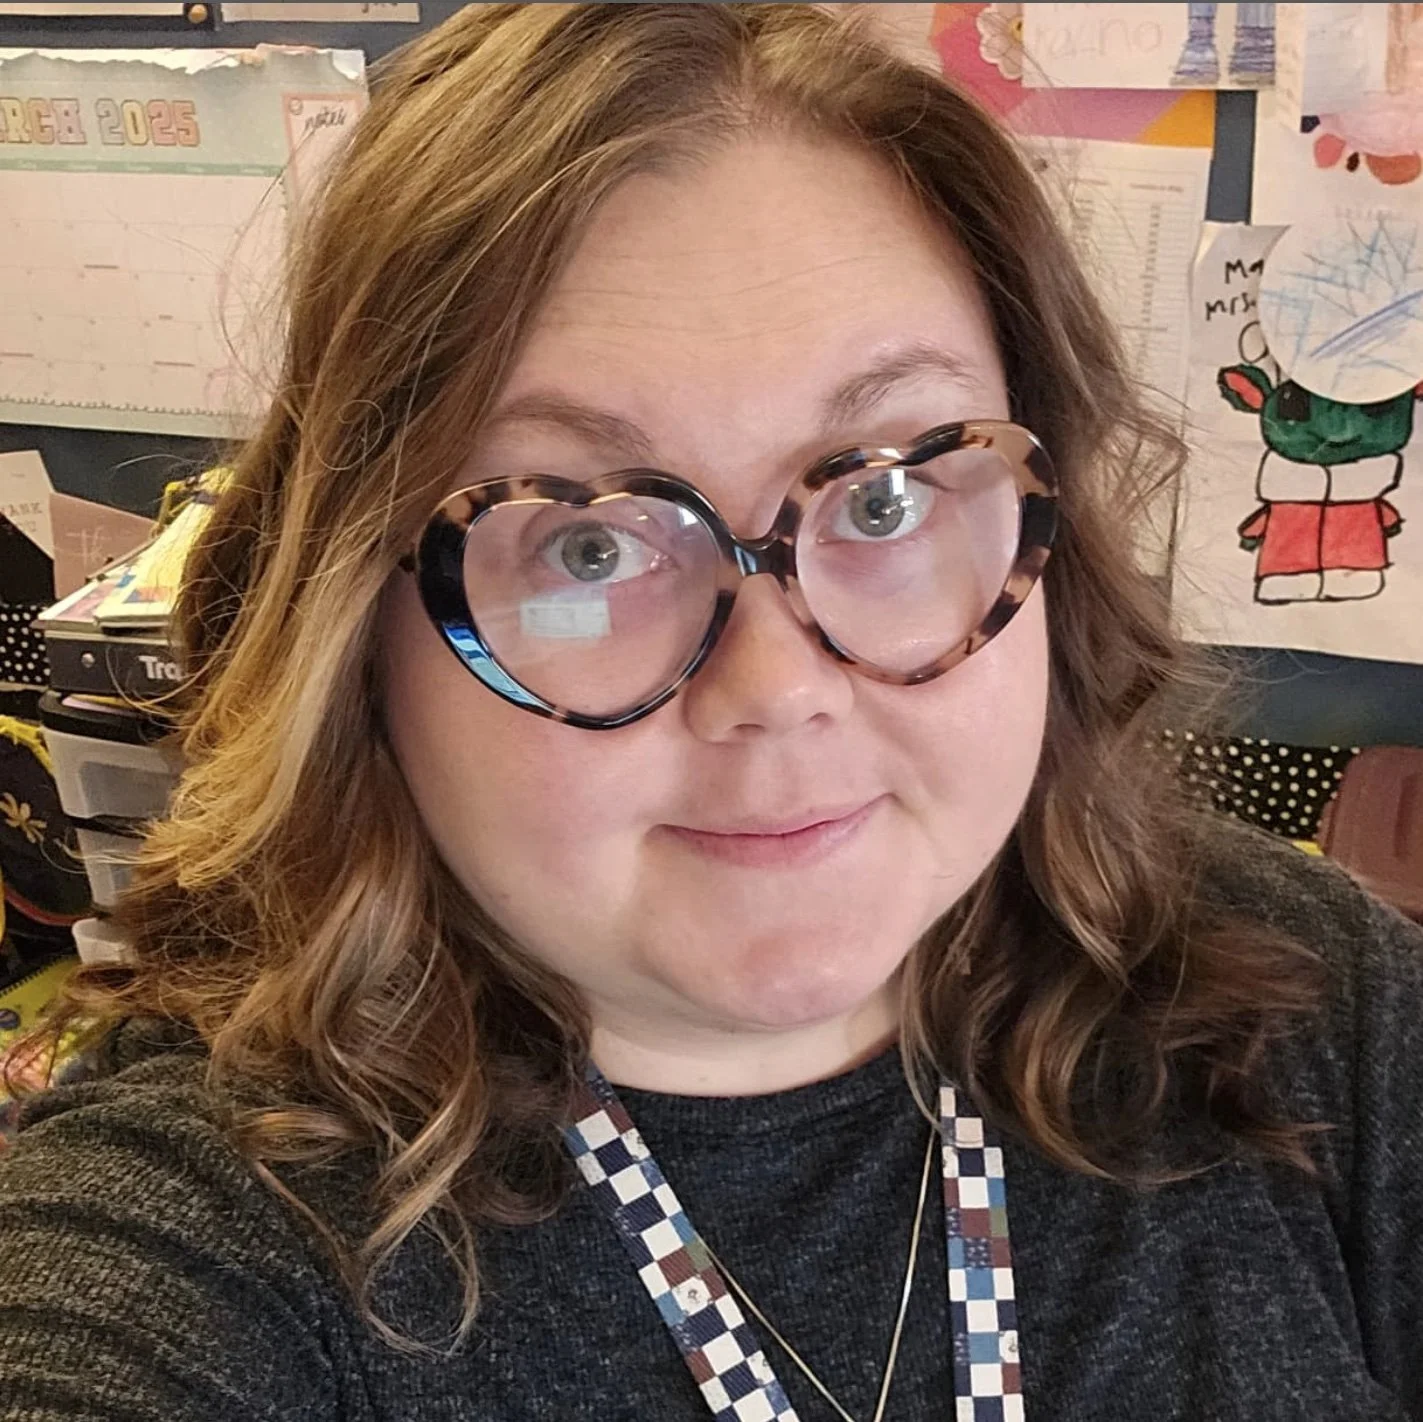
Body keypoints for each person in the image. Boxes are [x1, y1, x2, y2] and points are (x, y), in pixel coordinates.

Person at [1, 5, 1420, 1420]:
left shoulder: (1317, 1011)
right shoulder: (200, 1241)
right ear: (356, 626)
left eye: (885, 496)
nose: (777, 689)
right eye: (586, 545)